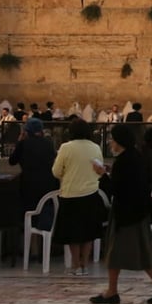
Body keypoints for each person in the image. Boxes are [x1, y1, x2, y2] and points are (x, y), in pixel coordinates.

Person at [90, 125, 152, 304]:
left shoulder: (123, 162)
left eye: (113, 139)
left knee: (113, 252)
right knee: (140, 251)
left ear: (119, 141)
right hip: (138, 212)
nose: (111, 142)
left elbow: (115, 189)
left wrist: (102, 175)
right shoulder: (136, 157)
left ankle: (112, 291)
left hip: (125, 215)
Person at [51, 117, 104, 277]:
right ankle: (85, 264)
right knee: (88, 231)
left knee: (73, 232)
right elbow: (99, 170)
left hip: (70, 193)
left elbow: (56, 171)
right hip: (91, 193)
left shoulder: (66, 147)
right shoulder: (95, 147)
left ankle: (75, 264)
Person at [9, 117, 59, 253]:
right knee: (43, 214)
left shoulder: (23, 144)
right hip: (48, 186)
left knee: (29, 215)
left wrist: (19, 141)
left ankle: (32, 249)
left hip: (28, 186)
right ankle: (44, 247)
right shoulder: (48, 143)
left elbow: (12, 161)